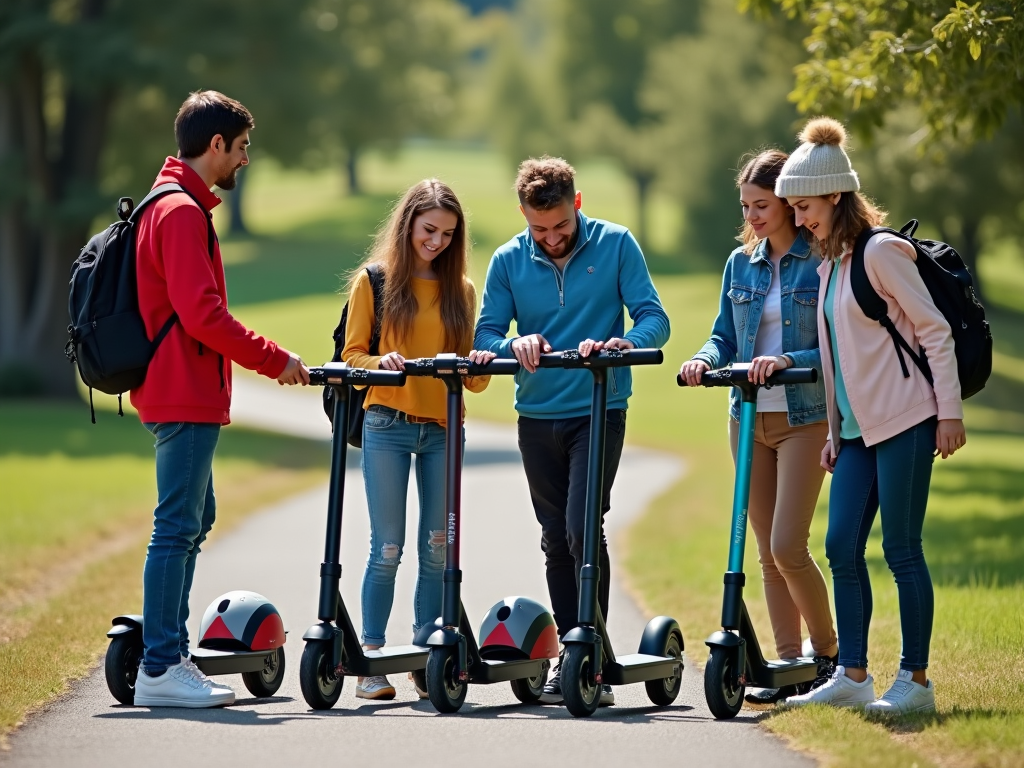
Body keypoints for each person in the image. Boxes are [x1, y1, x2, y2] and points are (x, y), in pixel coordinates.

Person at [777, 117, 965, 714]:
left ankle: (916, 682)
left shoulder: (881, 252)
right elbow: (837, 358)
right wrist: (834, 433)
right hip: (857, 434)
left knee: (902, 549)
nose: (799, 218)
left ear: (835, 195)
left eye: (805, 206)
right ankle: (853, 675)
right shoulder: (831, 263)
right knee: (839, 545)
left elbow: (935, 331)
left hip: (908, 418)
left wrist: (949, 413)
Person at [131, 91, 310, 708]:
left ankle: (168, 651)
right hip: (182, 388)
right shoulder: (180, 212)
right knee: (177, 526)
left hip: (181, 387)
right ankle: (161, 665)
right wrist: (275, 359)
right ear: (215, 147)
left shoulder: (172, 201)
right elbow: (202, 316)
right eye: (240, 149)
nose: (245, 160)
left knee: (192, 520)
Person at [474, 157, 671, 706]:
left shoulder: (616, 244)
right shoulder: (509, 259)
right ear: (524, 217)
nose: (553, 238)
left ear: (576, 203)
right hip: (536, 415)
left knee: (584, 528)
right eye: (540, 229)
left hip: (598, 409)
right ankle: (576, 650)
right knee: (555, 536)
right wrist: (512, 345)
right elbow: (484, 333)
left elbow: (654, 317)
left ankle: (592, 651)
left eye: (561, 226)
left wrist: (621, 345)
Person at [679, 149, 838, 704]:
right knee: (766, 554)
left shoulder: (821, 260)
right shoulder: (738, 264)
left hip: (803, 417)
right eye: (745, 205)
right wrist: (703, 357)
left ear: (791, 204)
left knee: (788, 544)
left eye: (761, 205)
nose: (751, 216)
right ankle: (789, 665)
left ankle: (829, 658)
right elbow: (724, 332)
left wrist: (788, 360)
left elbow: (831, 345)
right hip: (747, 417)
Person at [342, 179, 494, 700]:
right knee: (387, 548)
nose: (437, 242)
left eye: (448, 234)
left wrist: (479, 362)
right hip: (386, 423)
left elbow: (475, 380)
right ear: (407, 224)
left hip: (444, 429)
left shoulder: (463, 291)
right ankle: (371, 661)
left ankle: (428, 658)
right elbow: (351, 358)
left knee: (437, 548)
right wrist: (379, 364)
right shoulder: (375, 282)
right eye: (429, 230)